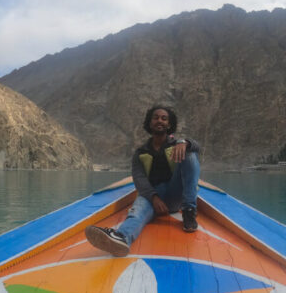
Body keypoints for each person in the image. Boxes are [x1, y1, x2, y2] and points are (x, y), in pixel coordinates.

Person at [85, 105, 200, 257]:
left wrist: (186, 142)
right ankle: (121, 238)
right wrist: (154, 197)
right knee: (136, 212)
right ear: (150, 122)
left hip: (175, 194)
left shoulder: (177, 145)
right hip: (152, 196)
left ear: (169, 124)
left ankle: (189, 211)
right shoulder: (140, 152)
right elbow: (139, 179)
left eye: (164, 118)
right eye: (156, 117)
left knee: (190, 154)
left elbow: (197, 147)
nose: (160, 120)